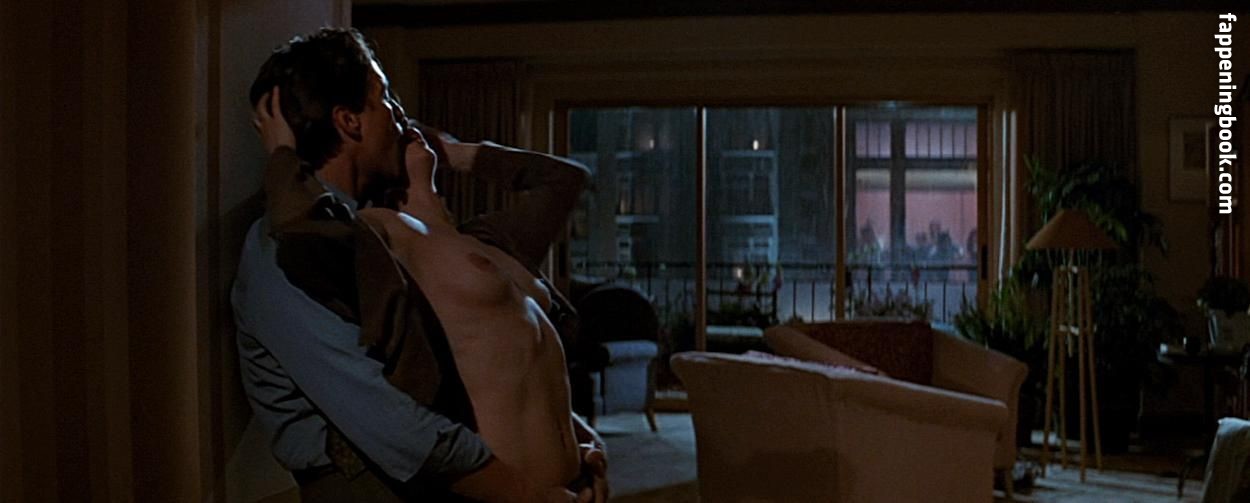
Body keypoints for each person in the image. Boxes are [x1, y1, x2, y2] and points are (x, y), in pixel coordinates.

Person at [232, 27, 605, 502]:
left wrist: (575, 443)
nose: (401, 117)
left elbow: (463, 372)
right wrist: (531, 496)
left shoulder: (375, 236)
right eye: (386, 99)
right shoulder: (284, 249)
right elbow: (389, 419)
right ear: (349, 121)